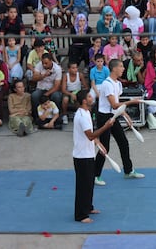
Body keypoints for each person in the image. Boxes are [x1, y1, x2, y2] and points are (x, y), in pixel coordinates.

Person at [95, 59, 145, 185]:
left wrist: (125, 115)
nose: (123, 69)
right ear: (114, 69)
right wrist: (132, 101)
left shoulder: (118, 84)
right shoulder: (107, 84)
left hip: (113, 115)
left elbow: (117, 107)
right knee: (105, 147)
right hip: (104, 117)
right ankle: (95, 175)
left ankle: (128, 171)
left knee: (123, 142)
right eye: (121, 66)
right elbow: (114, 104)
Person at [72, 89, 115, 223]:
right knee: (83, 185)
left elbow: (90, 136)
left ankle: (88, 208)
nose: (92, 97)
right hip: (82, 156)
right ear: (84, 100)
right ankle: (81, 215)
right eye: (90, 96)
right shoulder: (82, 116)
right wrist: (106, 126)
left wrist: (99, 144)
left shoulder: (87, 113)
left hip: (88, 154)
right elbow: (90, 135)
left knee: (89, 183)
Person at [31, 53, 62, 121]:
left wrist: (46, 95)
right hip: (41, 88)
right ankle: (37, 117)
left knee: (56, 96)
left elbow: (56, 86)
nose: (44, 65)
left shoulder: (57, 69)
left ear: (51, 61)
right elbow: (33, 78)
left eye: (46, 63)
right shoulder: (39, 65)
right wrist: (43, 75)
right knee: (34, 96)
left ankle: (56, 117)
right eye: (43, 63)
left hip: (52, 89)